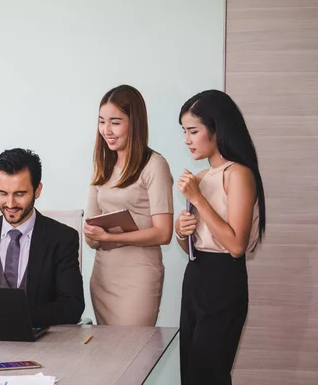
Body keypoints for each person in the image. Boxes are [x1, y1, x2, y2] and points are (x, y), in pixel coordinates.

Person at [175, 90, 265, 385]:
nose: (187, 140)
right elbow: (195, 243)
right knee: (191, 373)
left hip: (223, 281)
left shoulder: (238, 174)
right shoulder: (200, 178)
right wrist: (181, 231)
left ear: (217, 129)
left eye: (193, 131)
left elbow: (236, 245)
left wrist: (198, 200)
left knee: (208, 374)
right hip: (196, 277)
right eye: (184, 132)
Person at [0, 148, 85, 328]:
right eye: (2, 193)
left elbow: (72, 307)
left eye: (19, 194)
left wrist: (14, 314)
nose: (10, 204)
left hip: (42, 345)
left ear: (37, 190)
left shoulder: (62, 238)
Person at [84, 85, 174, 326]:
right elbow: (92, 236)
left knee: (133, 354)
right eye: (102, 121)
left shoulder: (154, 165)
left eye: (115, 122)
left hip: (138, 276)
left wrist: (111, 238)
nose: (106, 130)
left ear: (135, 123)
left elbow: (164, 233)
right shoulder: (101, 165)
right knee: (107, 356)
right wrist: (93, 234)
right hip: (103, 275)